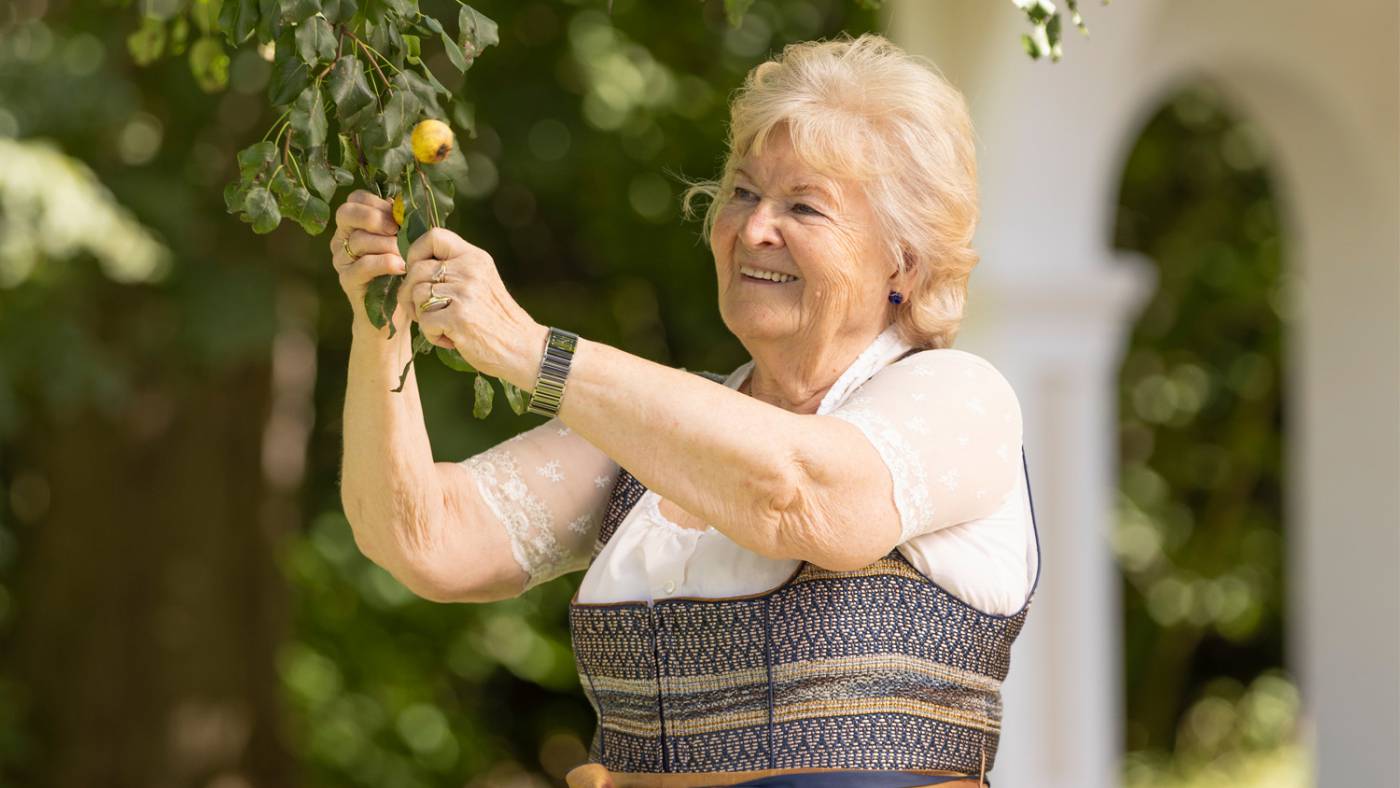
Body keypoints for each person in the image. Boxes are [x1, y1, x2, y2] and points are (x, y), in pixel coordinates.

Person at [331, 32, 1039, 788]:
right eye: (742, 192)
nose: (754, 228)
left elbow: (799, 494)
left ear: (903, 261)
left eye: (803, 205)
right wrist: (380, 318)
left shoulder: (958, 394)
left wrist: (535, 352)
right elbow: (422, 539)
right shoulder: (649, 429)